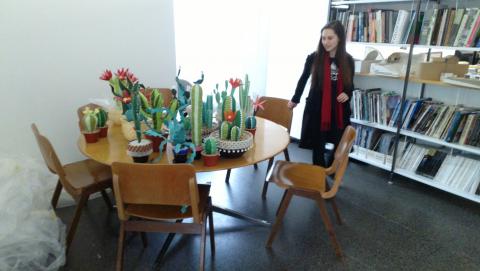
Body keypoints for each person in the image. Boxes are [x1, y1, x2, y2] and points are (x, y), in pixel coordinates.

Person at [288, 20, 354, 167]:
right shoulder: (314, 58)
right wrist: (295, 99)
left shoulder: (348, 60)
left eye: (330, 38)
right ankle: (319, 176)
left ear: (340, 38)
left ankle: (330, 168)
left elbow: (350, 84)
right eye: (323, 38)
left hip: (338, 109)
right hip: (317, 108)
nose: (326, 42)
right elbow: (303, 79)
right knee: (318, 144)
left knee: (339, 142)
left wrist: (347, 93)